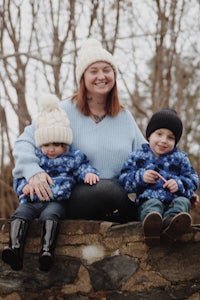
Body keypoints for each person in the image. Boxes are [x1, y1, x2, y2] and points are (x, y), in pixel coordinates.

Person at [11, 38, 147, 224]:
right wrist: (32, 171)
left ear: (114, 76)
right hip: (69, 197)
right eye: (93, 71)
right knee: (106, 189)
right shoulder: (62, 110)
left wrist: (177, 188)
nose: (101, 76)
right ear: (83, 78)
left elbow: (148, 157)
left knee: (124, 194)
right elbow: (24, 141)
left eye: (107, 70)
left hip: (115, 202)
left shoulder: (125, 117)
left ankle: (160, 215)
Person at [2, 95, 99, 272]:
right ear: (40, 144)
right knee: (20, 213)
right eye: (46, 144)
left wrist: (89, 174)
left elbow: (83, 166)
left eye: (56, 144)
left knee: (51, 215)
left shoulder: (71, 157)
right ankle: (15, 249)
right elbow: (20, 179)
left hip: (56, 200)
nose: (51, 149)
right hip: (32, 201)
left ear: (65, 144)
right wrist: (24, 187)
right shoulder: (35, 159)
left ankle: (46, 251)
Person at [118, 109, 199, 246]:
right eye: (159, 134)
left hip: (173, 202)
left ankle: (172, 227)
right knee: (152, 205)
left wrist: (179, 184)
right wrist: (141, 177)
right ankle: (152, 228)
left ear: (176, 141)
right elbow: (124, 179)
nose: (164, 141)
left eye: (170, 137)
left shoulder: (180, 159)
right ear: (149, 135)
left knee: (183, 202)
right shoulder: (137, 157)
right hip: (148, 201)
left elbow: (193, 180)